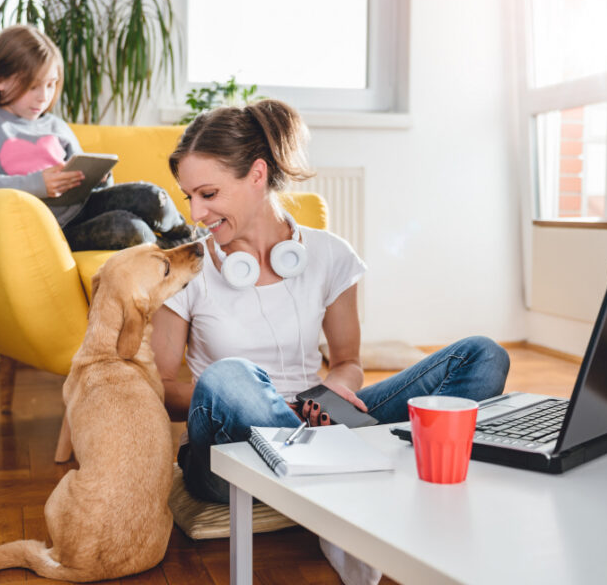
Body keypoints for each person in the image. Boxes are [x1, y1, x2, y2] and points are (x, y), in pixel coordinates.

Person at [154, 99, 509, 585]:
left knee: (483, 354)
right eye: (188, 196)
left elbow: (347, 362)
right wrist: (262, 400)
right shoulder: (185, 267)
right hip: (230, 454)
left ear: (257, 174)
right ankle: (355, 481)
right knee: (229, 377)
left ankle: (335, 469)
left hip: (318, 420)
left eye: (209, 193)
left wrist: (335, 391)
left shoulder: (328, 255)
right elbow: (161, 386)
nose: (196, 212)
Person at [0, 24, 194, 251]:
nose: (44, 97)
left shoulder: (55, 125)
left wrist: (100, 178)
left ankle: (190, 236)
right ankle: (172, 250)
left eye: (51, 84)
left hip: (84, 208)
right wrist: (37, 183)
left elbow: (96, 189)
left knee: (151, 196)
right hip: (53, 229)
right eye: (33, 86)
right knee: (129, 229)